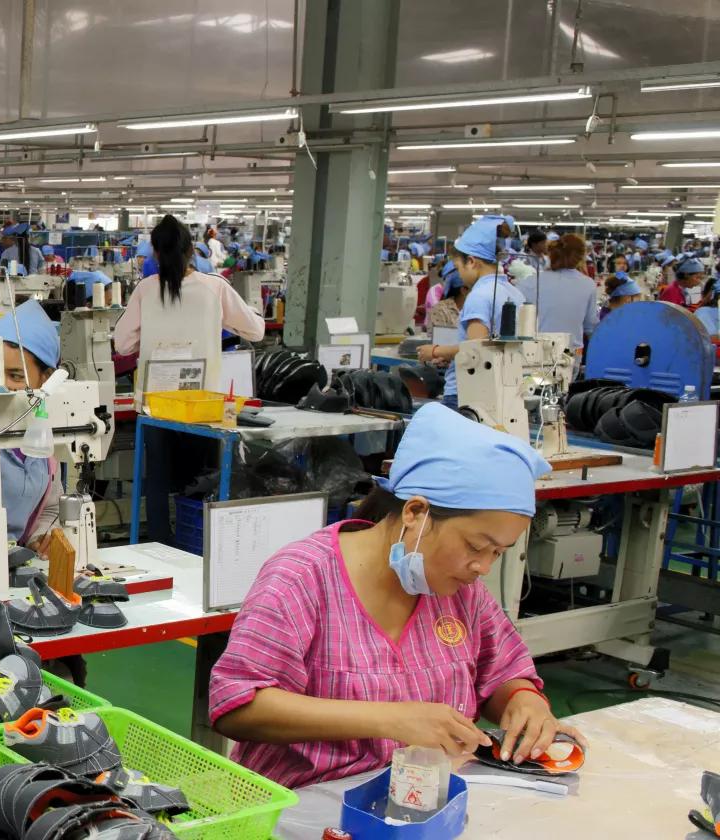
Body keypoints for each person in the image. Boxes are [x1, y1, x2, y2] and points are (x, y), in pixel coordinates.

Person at [208, 403, 581, 789]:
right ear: (415, 512)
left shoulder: (458, 591)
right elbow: (239, 707)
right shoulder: (302, 578)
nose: (482, 567)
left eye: (497, 553)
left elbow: (502, 672)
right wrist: (389, 718)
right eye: (475, 546)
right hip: (304, 806)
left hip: (421, 799)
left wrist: (523, 701)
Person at [112, 215, 265, 394]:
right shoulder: (215, 287)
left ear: (155, 253)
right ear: (191, 250)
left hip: (154, 403)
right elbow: (256, 332)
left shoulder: (145, 289)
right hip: (201, 402)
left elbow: (122, 345)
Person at [416, 216, 526, 407]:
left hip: (466, 392)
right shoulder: (514, 292)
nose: (458, 274)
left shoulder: (479, 295)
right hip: (502, 388)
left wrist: (434, 351)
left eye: (458, 267)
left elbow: (476, 350)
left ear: (472, 262)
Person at [515, 233, 598, 354]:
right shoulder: (588, 285)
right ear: (582, 257)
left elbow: (516, 319)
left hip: (533, 354)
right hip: (570, 355)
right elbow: (591, 327)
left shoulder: (529, 282)